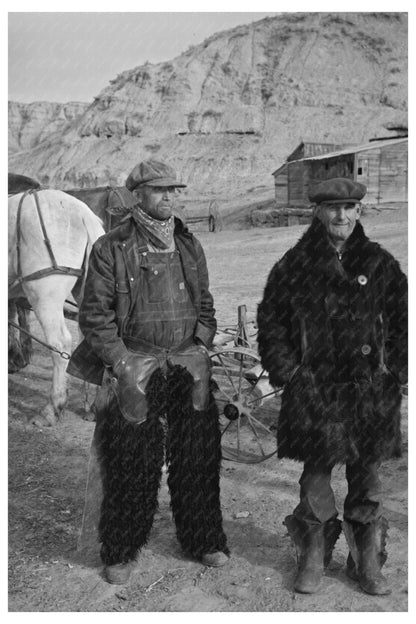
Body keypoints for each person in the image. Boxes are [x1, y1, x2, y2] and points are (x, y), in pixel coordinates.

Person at [68, 160, 229, 584]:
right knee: (130, 462)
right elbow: (94, 315)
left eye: (172, 190)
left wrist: (201, 344)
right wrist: (121, 362)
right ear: (137, 194)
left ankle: (203, 539)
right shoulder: (112, 246)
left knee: (197, 457)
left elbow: (206, 305)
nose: (168, 197)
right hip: (135, 364)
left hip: (186, 361)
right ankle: (121, 549)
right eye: (159, 191)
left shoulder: (189, 243)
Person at [257, 177, 407, 596]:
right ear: (319, 213)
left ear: (358, 212)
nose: (341, 215)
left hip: (369, 390)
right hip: (315, 392)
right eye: (332, 208)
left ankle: (368, 559)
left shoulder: (380, 264)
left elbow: (402, 322)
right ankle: (313, 553)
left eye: (348, 208)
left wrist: (394, 371)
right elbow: (271, 322)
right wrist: (287, 372)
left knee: (368, 479)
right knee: (315, 478)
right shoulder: (295, 264)